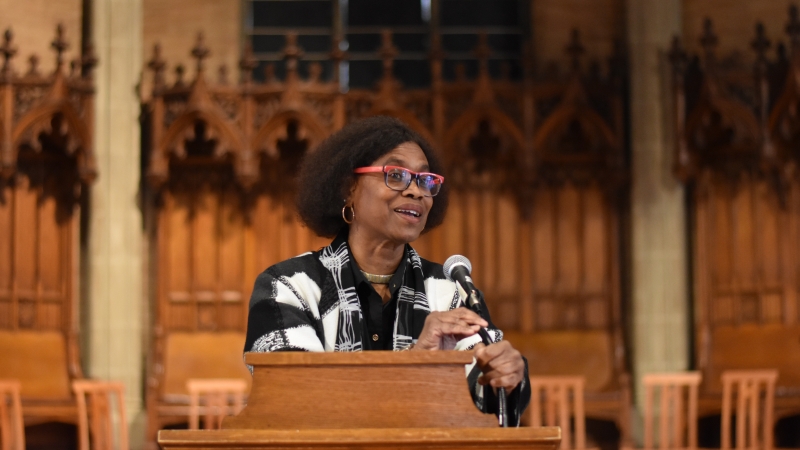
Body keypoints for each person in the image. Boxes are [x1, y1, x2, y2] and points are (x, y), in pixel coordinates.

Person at [244, 116, 531, 425]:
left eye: (425, 180)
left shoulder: (449, 290)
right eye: (396, 175)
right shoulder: (288, 286)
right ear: (348, 187)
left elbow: (483, 405)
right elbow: (292, 397)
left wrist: (506, 376)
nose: (416, 192)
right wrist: (414, 360)